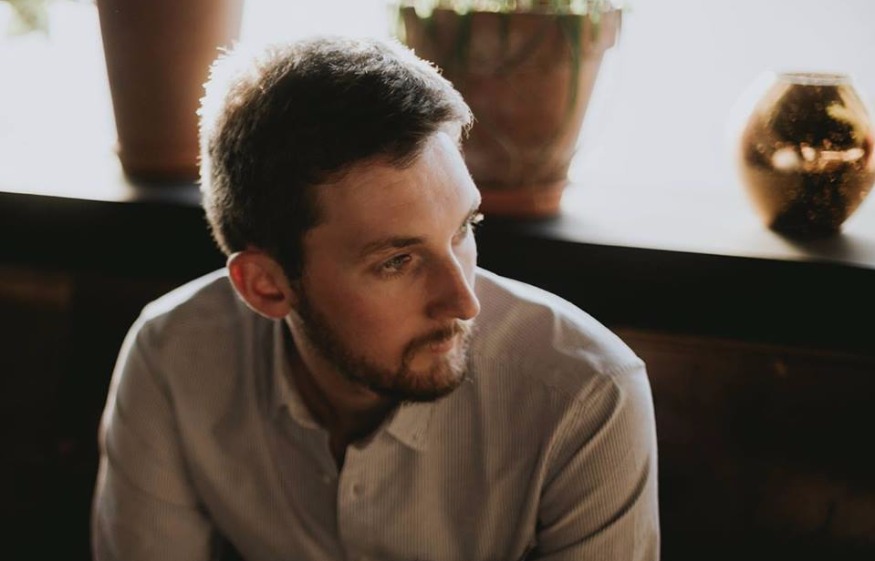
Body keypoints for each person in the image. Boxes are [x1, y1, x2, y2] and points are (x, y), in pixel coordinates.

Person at [91, 35, 660, 561]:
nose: (464, 303)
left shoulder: (586, 396)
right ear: (266, 285)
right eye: (397, 261)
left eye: (463, 229)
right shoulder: (173, 357)